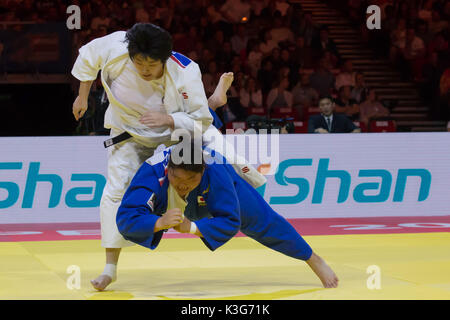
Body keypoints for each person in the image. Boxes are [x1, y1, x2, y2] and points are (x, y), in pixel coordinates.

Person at [71, 23, 265, 291]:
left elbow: (199, 121)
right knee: (115, 192)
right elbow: (87, 59)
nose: (144, 69)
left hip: (176, 130)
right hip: (129, 133)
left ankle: (216, 100)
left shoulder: (185, 70)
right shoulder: (116, 47)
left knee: (225, 158)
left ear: (164, 58)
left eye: (151, 64)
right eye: (139, 62)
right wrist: (82, 97)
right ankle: (109, 269)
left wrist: (168, 119)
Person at [116, 142, 339, 288]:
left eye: (190, 181)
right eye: (178, 179)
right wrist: (158, 222)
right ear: (169, 170)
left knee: (264, 220)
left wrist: (192, 227)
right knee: (128, 213)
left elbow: (231, 221)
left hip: (209, 194)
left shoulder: (215, 167)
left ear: (202, 172)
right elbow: (126, 218)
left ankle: (313, 259)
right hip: (166, 200)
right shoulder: (153, 171)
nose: (183, 186)